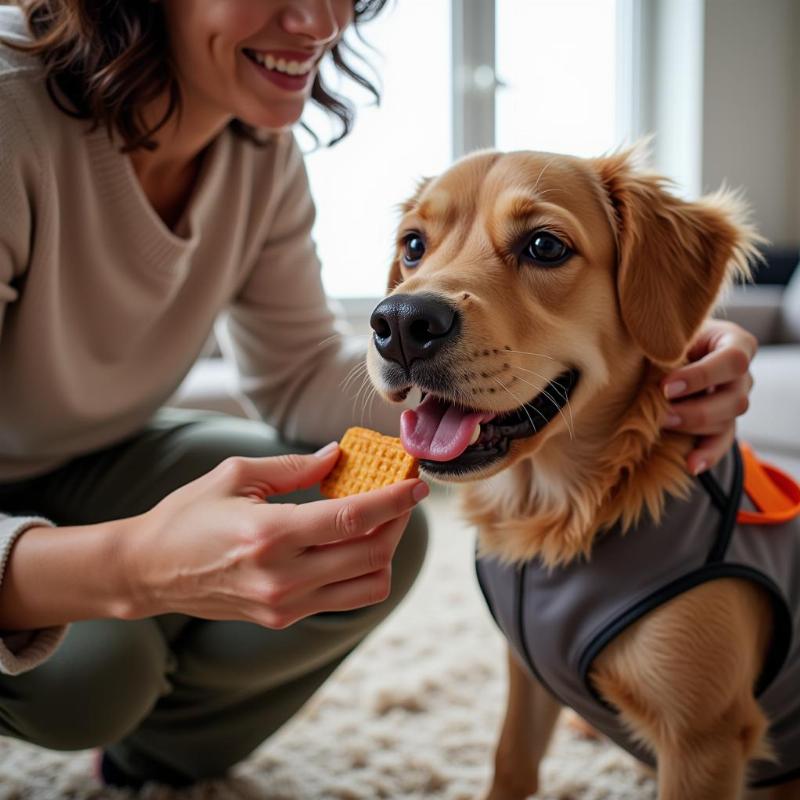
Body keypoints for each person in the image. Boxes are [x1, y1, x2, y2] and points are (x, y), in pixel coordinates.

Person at [0, 0, 758, 790]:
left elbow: (298, 377)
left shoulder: (256, 149)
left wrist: (670, 354)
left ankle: (152, 755)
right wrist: (141, 568)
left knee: (372, 532)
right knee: (99, 674)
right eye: (418, 247)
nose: (318, 19)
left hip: (85, 461)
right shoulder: (7, 110)